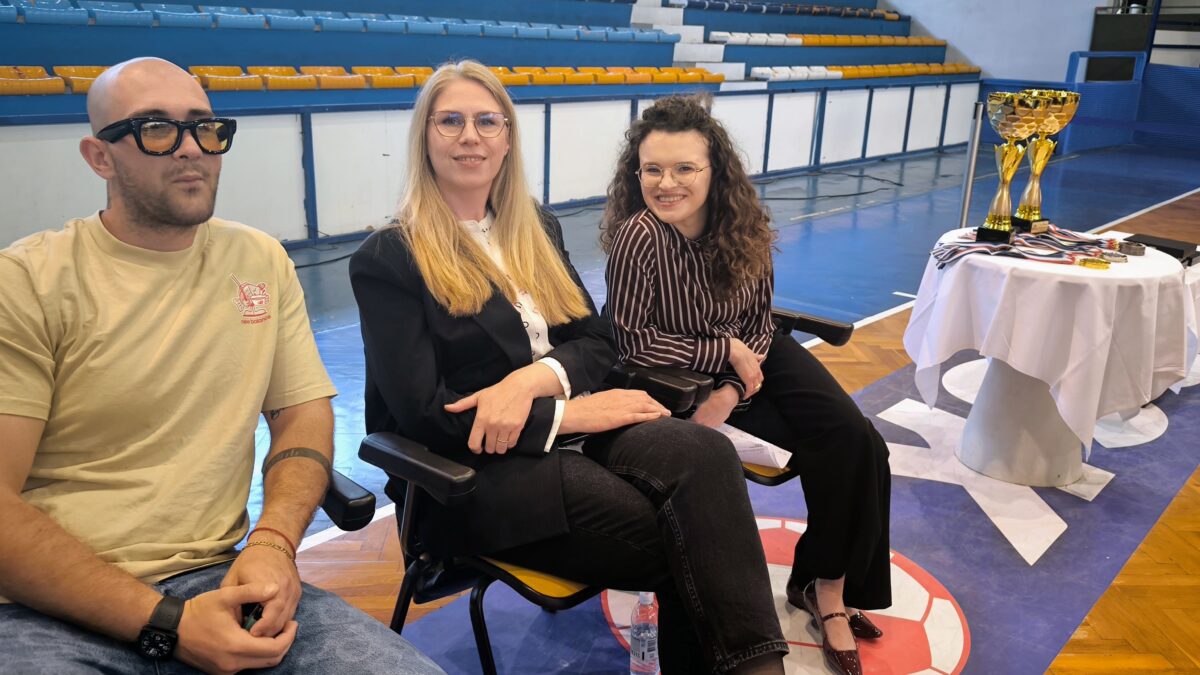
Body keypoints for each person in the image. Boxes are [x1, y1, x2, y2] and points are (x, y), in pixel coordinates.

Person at [0, 57, 442, 675]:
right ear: (99, 157)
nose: (191, 149)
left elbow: (301, 413)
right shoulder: (28, 281)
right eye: (156, 129)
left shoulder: (258, 259)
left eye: (205, 128)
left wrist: (274, 543)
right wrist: (167, 623)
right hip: (51, 603)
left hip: (220, 580)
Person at [349, 60, 788, 674]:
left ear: (507, 138)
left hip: (575, 425)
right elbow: (425, 416)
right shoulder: (390, 258)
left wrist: (533, 380)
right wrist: (569, 414)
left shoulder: (534, 225)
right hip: (479, 473)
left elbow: (598, 339)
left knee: (707, 455)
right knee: (688, 536)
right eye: (450, 121)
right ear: (425, 136)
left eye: (487, 121)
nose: (471, 136)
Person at [601, 94, 893, 675]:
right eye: (653, 169)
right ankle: (810, 592)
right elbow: (632, 341)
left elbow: (760, 321)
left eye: (684, 168)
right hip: (677, 369)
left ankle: (825, 588)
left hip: (752, 358)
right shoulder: (640, 236)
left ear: (715, 170)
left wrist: (734, 384)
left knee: (855, 439)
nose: (666, 184)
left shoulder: (743, 222)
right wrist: (721, 353)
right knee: (838, 447)